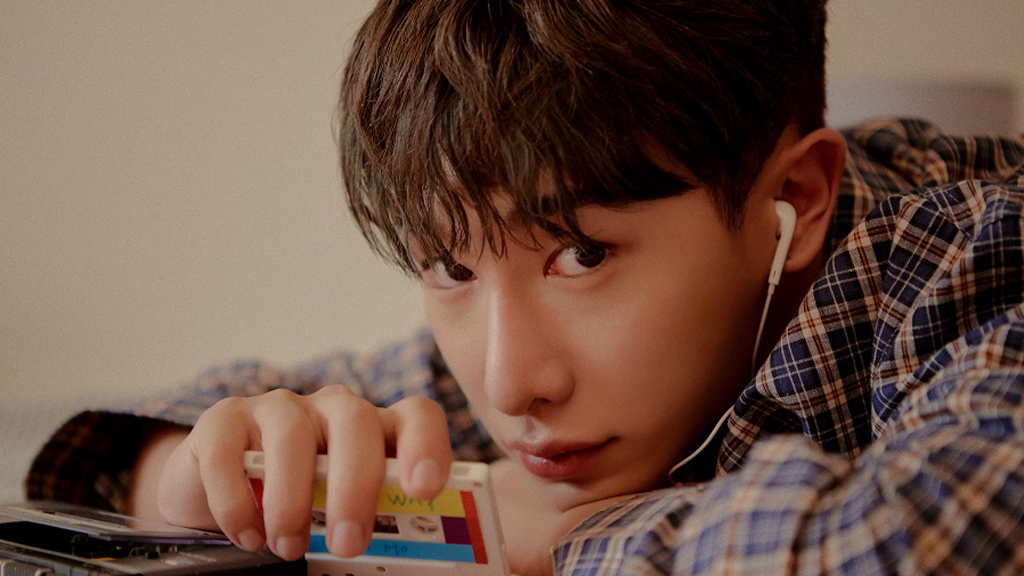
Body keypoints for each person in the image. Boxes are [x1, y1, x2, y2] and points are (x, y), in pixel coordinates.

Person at [26, 0, 1024, 574]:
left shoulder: (982, 255)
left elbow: (921, 539)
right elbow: (206, 415)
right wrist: (191, 479)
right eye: (449, 267)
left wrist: (539, 534)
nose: (511, 385)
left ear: (792, 200)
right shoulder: (547, 378)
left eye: (580, 255)